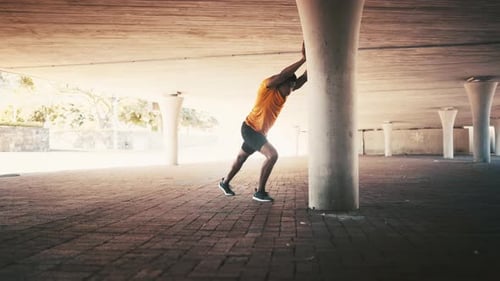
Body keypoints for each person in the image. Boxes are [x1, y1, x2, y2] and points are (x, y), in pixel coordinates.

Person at [218, 43, 308, 202]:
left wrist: (313, 60)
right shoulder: (266, 87)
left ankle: (225, 183)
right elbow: (282, 75)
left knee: (240, 158)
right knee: (272, 155)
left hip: (258, 133)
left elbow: (301, 81)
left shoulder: (284, 94)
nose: (291, 90)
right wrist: (303, 60)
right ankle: (259, 192)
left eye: (293, 87)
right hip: (250, 129)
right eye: (289, 86)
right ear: (281, 83)